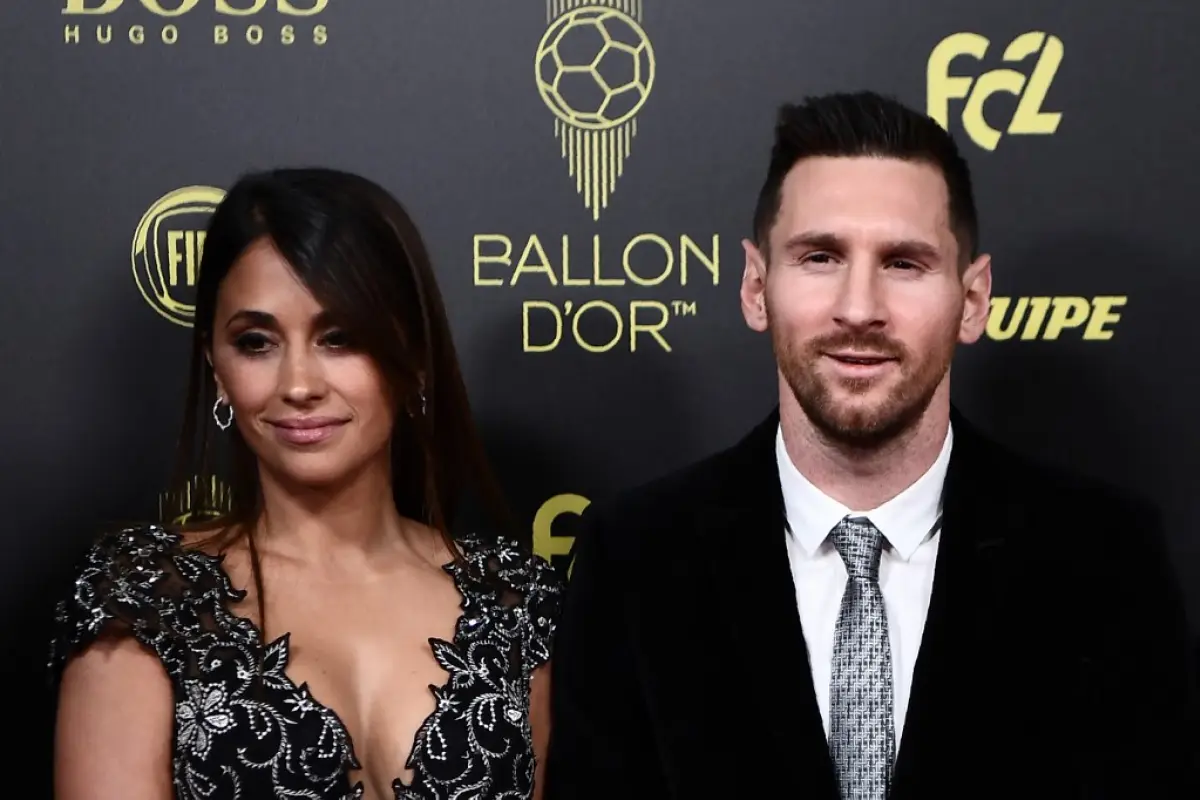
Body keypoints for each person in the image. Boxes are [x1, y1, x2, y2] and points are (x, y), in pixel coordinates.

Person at [543, 91, 1199, 799]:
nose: (860, 309)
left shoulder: (1104, 560)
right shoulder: (635, 560)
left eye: (904, 263)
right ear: (757, 286)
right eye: (821, 256)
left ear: (972, 300)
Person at [49, 168, 564, 800]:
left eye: (340, 338)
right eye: (257, 342)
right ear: (216, 365)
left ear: (413, 358)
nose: (298, 383)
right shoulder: (144, 601)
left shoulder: (517, 602)